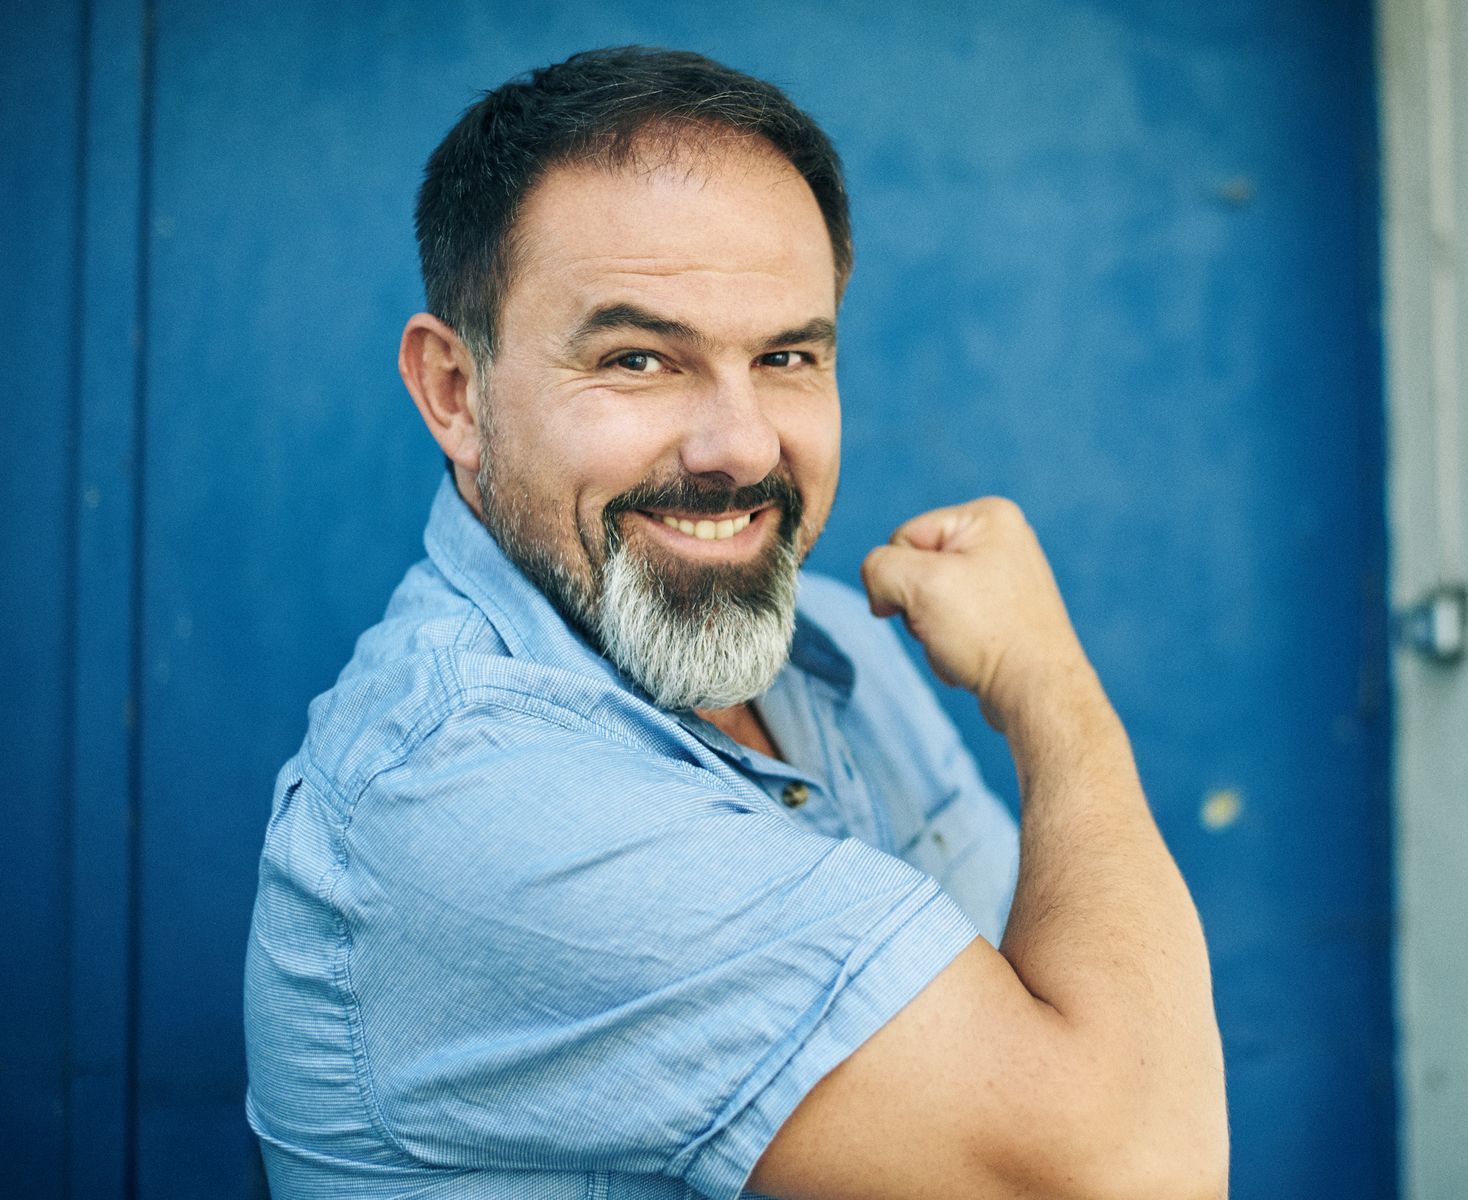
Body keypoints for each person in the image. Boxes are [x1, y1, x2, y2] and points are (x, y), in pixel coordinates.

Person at [245, 46, 1226, 1200]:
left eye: (786, 356)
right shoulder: (469, 792)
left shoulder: (835, 643)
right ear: (455, 392)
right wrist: (1048, 684)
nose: (743, 446)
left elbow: (1065, 1039)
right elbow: (1130, 1167)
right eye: (639, 358)